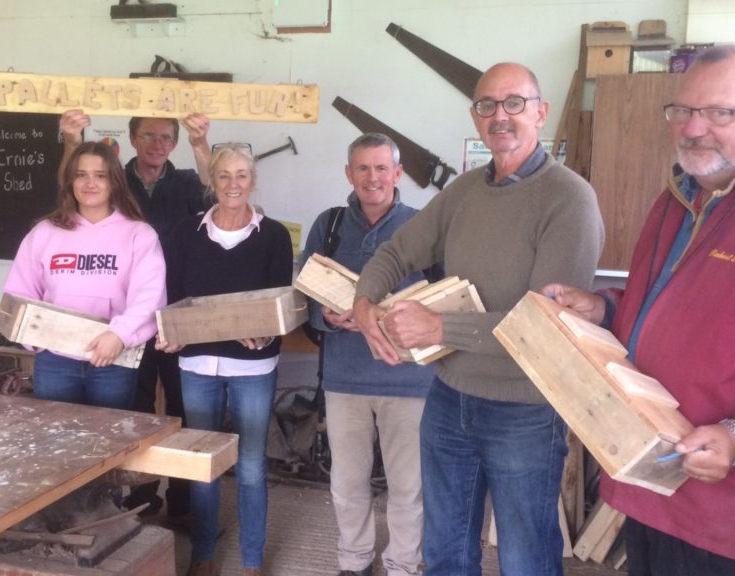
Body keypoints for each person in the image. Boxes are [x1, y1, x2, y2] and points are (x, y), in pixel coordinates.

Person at [544, 47, 735, 575]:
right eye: (683, 112)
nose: (694, 128)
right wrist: (603, 308)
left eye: (719, 112)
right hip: (656, 484)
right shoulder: (676, 198)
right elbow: (668, 310)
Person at [352, 63, 604, 576]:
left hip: (525, 410)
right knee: (445, 550)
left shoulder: (569, 198)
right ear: (475, 116)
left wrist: (441, 329)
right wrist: (364, 302)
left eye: (514, 103)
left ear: (541, 112)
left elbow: (545, 324)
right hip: (449, 398)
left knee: (525, 555)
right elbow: (396, 249)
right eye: (487, 105)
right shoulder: (465, 191)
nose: (500, 116)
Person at [59, 109, 212, 520]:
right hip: (128, 319)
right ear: (131, 138)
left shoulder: (186, 182)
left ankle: (183, 504)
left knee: (182, 409)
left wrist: (202, 145)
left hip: (179, 311)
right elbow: (69, 196)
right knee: (136, 412)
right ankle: (141, 501)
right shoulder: (114, 180)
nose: (157, 144)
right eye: (149, 135)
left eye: (166, 137)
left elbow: (215, 194)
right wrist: (72, 140)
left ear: (174, 143)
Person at [302, 133, 437, 576]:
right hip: (345, 381)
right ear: (349, 173)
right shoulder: (330, 224)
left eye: (382, 168)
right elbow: (304, 299)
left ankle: (401, 565)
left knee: (409, 486)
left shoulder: (425, 223)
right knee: (347, 482)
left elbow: (447, 299)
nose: (372, 177)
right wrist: (326, 317)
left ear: (398, 174)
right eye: (363, 168)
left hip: (410, 380)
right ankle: (354, 561)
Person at [157, 143, 293, 576]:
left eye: (241, 176)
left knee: (251, 465)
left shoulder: (273, 235)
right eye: (224, 176)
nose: (233, 185)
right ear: (211, 182)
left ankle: (252, 561)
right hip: (196, 365)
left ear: (252, 181)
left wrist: (268, 328)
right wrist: (173, 331)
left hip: (253, 366)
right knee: (204, 462)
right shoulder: (184, 232)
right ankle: (203, 554)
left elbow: (279, 302)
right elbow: (173, 295)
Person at [3, 141, 165, 410]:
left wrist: (120, 336)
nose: (90, 183)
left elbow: (150, 296)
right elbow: (19, 292)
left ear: (114, 182)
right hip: (55, 361)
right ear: (70, 182)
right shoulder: (44, 233)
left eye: (100, 176)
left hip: (113, 360)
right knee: (56, 441)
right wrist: (33, 340)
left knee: (108, 443)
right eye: (81, 175)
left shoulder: (139, 235)